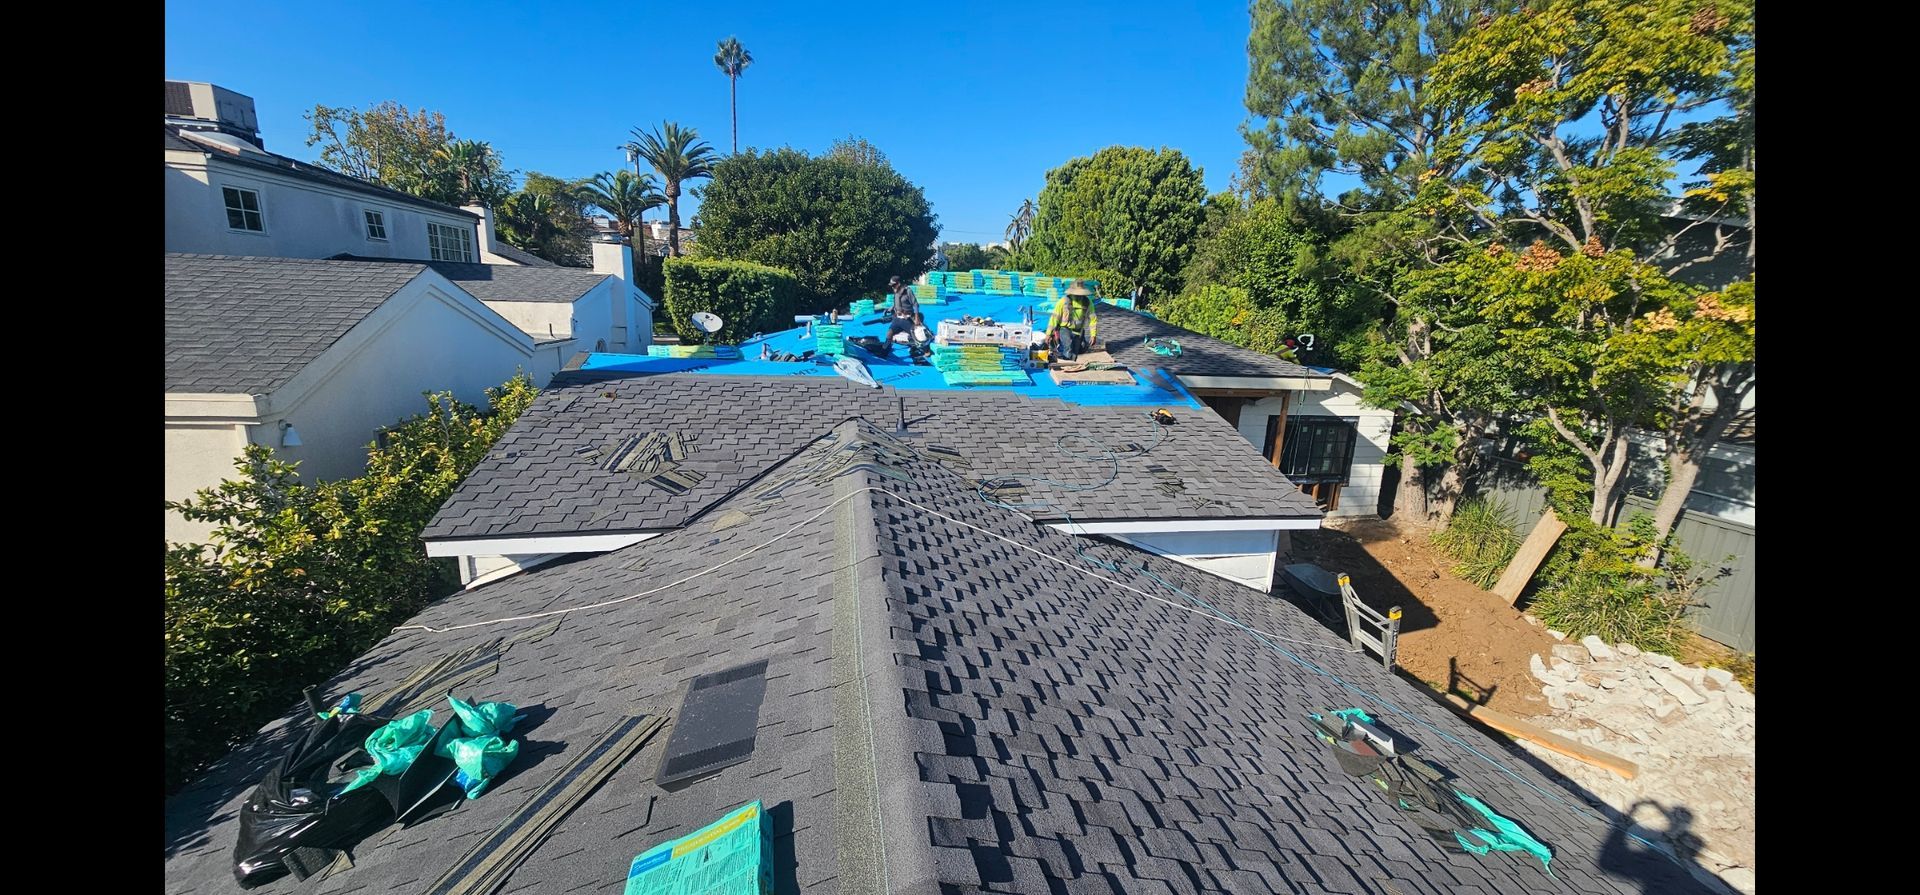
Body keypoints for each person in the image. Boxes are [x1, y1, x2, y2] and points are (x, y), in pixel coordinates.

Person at [1047, 279, 1099, 361]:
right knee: (1069, 347)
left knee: (1077, 351)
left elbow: (1093, 320)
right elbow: (1054, 318)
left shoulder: (1087, 303)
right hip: (1065, 329)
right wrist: (1048, 333)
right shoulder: (1063, 302)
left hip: (1078, 330)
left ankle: (1072, 363)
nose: (1078, 296)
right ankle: (1066, 363)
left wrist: (1093, 335)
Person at [886, 275, 920, 343]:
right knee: (889, 334)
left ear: (898, 283)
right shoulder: (896, 291)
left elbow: (915, 304)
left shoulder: (908, 291)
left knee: (916, 336)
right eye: (891, 285)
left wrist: (916, 318)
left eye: (894, 285)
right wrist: (892, 308)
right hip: (897, 318)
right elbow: (898, 303)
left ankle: (925, 351)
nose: (892, 287)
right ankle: (885, 349)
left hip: (907, 318)